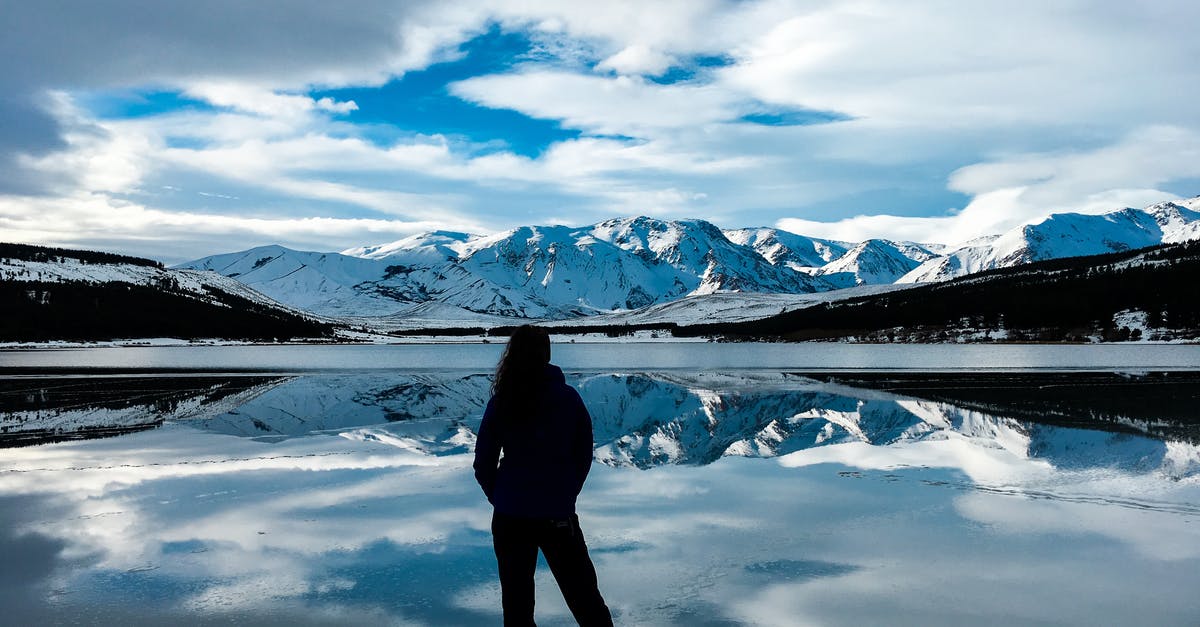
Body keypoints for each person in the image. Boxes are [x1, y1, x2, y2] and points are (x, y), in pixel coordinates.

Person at [474, 325, 614, 627]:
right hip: (557, 514)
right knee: (586, 600)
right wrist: (565, 493)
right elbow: (583, 454)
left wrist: (500, 497)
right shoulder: (568, 399)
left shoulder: (502, 401)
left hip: (511, 515)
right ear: (547, 354)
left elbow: (483, 462)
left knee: (517, 606)